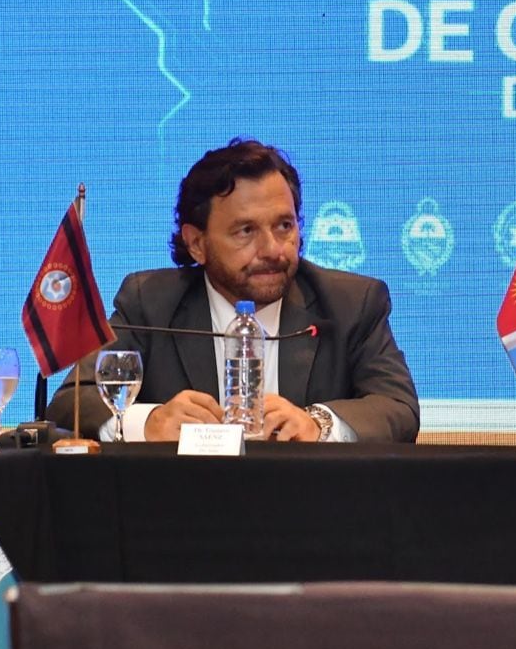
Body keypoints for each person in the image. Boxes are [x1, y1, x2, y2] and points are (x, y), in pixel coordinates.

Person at [47, 139, 419, 443]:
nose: (274, 249)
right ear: (197, 244)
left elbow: (397, 408)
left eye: (284, 226)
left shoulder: (350, 303)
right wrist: (148, 422)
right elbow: (71, 402)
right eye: (246, 231)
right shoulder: (151, 302)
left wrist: (318, 423)